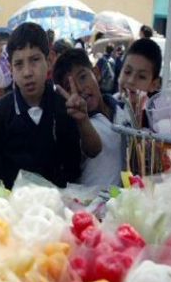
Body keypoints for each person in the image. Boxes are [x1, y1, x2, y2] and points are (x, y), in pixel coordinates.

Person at [0, 23, 102, 189]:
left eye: (35, 60)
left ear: (49, 61)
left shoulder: (66, 105)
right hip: (15, 202)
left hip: (61, 201)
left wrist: (83, 120)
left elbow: (93, 151)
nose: (27, 72)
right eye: (19, 64)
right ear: (11, 69)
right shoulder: (1, 110)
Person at [52, 48, 129, 188]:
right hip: (92, 200)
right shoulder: (75, 126)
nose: (79, 89)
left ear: (96, 73)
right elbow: (92, 149)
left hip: (125, 197)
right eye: (69, 87)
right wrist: (83, 120)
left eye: (83, 77)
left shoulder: (122, 109)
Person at [116, 38, 163, 129]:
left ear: (154, 84)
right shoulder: (108, 109)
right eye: (127, 72)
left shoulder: (155, 121)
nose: (131, 81)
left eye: (141, 76)